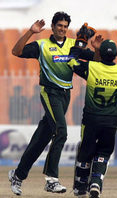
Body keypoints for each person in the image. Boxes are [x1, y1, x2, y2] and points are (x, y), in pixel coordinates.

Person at [8, 12, 100, 196]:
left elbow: (96, 63)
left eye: (65, 26)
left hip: (65, 95)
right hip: (50, 93)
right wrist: (30, 32)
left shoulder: (73, 45)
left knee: (41, 139)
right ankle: (51, 179)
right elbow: (16, 52)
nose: (63, 29)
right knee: (61, 131)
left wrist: (96, 49)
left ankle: (17, 175)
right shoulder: (42, 45)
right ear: (52, 26)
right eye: (60, 25)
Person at [67, 22, 117, 198]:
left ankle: (80, 187)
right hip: (111, 121)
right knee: (103, 153)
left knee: (85, 152)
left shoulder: (92, 67)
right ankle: (96, 182)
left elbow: (71, 60)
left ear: (99, 55)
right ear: (116, 55)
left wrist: (81, 40)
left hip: (91, 119)